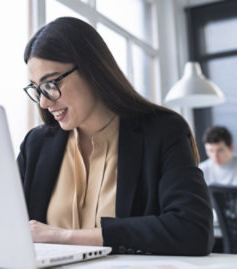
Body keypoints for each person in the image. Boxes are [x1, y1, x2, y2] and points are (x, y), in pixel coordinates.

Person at [16, 17, 213, 256]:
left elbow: (193, 231)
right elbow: (7, 227)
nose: (45, 102)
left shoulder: (162, 131)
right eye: (37, 89)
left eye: (50, 84)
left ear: (91, 69)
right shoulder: (36, 145)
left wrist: (64, 237)